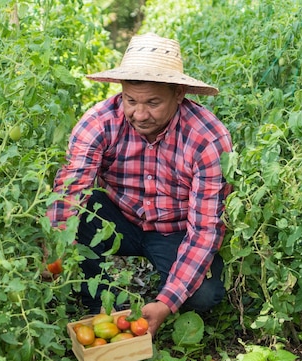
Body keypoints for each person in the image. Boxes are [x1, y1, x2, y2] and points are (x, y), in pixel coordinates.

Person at [46, 33, 233, 337]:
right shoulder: (99, 122)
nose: (139, 114)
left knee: (204, 295)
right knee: (85, 206)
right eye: (131, 100)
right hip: (119, 218)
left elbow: (205, 229)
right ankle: (98, 304)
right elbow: (70, 191)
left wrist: (166, 301)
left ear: (179, 94)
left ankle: (159, 299)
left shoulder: (207, 138)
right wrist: (56, 252)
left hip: (175, 230)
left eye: (153, 102)